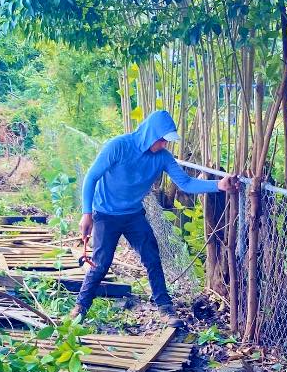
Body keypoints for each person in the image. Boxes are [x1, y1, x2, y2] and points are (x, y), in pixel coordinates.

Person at [73, 109, 239, 326]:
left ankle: (165, 308)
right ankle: (80, 307)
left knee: (152, 257)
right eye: (161, 140)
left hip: (133, 214)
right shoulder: (118, 146)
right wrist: (87, 214)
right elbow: (92, 177)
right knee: (101, 263)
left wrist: (218, 185)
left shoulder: (162, 157)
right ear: (150, 134)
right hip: (105, 213)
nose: (164, 145)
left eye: (166, 141)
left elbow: (186, 183)